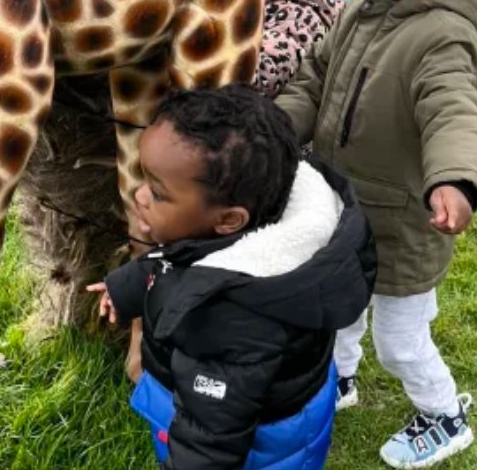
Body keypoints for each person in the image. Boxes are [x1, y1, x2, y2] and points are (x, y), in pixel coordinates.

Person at [275, 0, 477, 469]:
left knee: (401, 341)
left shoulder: (442, 35)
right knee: (339, 306)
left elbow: (454, 110)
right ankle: (339, 379)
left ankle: (444, 415)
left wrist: (454, 179)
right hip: (346, 208)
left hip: (403, 227)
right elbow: (315, 78)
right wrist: (275, 128)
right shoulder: (360, 10)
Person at [87, 84, 376, 470]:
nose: (139, 195)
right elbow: (171, 262)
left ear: (228, 220)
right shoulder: (217, 238)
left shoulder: (231, 320)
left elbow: (208, 440)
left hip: (257, 451)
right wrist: (124, 288)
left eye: (157, 192)